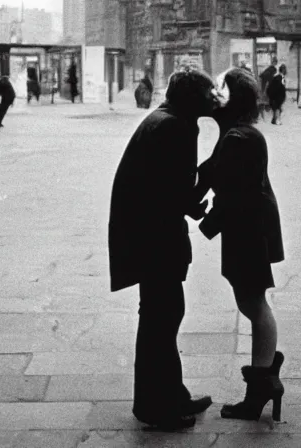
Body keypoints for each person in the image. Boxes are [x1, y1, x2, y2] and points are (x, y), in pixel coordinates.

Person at [108, 68, 219, 430]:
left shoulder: (167, 119)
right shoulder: (176, 126)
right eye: (207, 94)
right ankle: (155, 406)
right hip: (154, 237)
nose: (213, 99)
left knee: (164, 314)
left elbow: (169, 184)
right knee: (162, 316)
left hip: (148, 232)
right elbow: (172, 188)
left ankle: (171, 394)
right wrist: (202, 186)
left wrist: (192, 199)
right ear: (192, 97)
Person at [198, 68, 285, 422]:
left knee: (252, 302)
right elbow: (213, 168)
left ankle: (262, 384)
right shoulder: (238, 133)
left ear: (233, 98)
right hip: (249, 225)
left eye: (221, 88)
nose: (214, 93)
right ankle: (266, 373)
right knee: (250, 299)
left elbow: (231, 190)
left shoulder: (238, 138)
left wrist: (206, 223)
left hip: (247, 228)